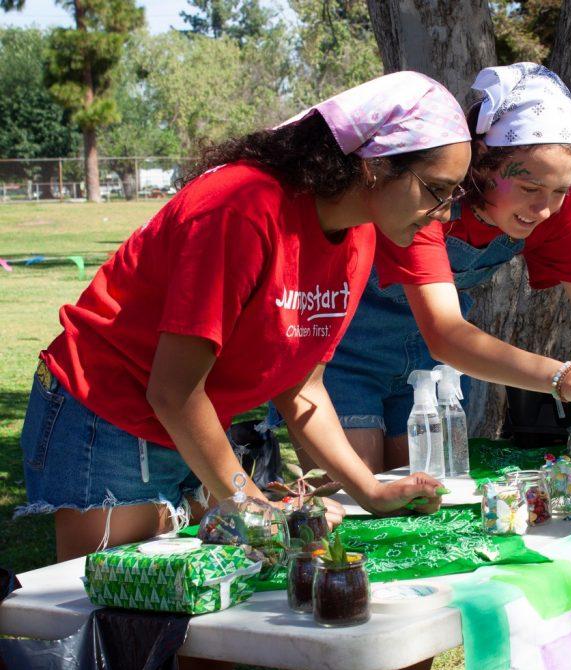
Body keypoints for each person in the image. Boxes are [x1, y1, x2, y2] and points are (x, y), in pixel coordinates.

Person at [18, 72, 472, 565]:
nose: (444, 215)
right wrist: (251, 504)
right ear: (376, 165)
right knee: (111, 608)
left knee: (199, 611)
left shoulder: (358, 234)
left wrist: (369, 491)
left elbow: (302, 389)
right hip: (107, 409)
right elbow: (172, 390)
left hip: (191, 421)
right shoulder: (242, 207)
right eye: (436, 190)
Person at [323, 63, 571, 474]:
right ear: (483, 161)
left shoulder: (557, 213)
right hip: (348, 350)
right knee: (354, 505)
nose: (544, 209)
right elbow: (446, 335)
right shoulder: (432, 201)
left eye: (561, 191)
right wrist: (565, 376)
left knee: (421, 505)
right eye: (528, 188)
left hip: (434, 371)